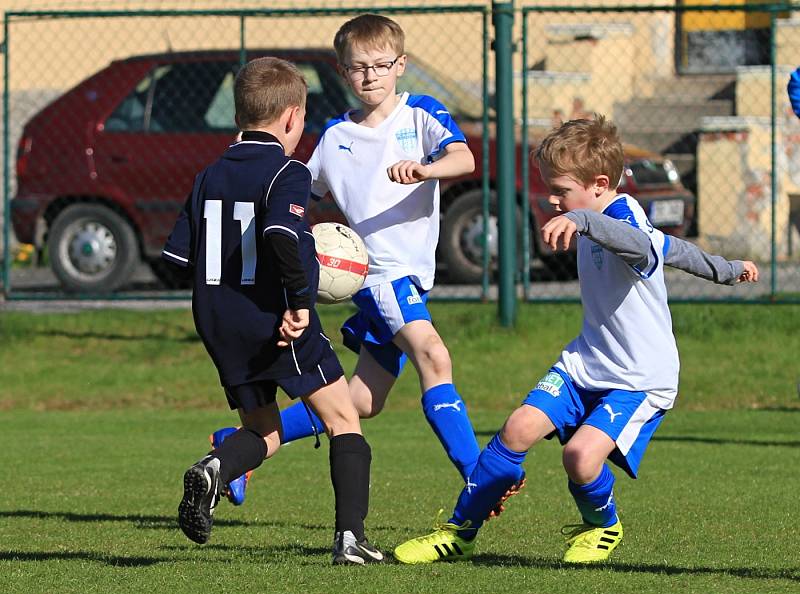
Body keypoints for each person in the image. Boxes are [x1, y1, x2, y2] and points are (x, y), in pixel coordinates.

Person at [394, 115, 760, 565]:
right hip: (585, 363)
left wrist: (583, 219)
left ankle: (603, 526)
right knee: (516, 429)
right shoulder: (593, 216)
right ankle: (458, 532)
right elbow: (676, 250)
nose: (552, 199)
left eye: (561, 190)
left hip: (639, 378)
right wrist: (727, 269)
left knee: (581, 458)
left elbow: (643, 247)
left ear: (600, 184)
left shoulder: (621, 218)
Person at [224, 13, 515, 508]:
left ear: (400, 65)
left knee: (361, 401)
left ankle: (233, 444)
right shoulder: (336, 137)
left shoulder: (420, 114)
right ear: (342, 72)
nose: (371, 76)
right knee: (434, 356)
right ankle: (477, 475)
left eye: (382, 65)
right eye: (359, 67)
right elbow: (295, 187)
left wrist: (425, 169)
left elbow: (464, 159)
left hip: (411, 279)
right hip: (380, 276)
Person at [163, 56, 383, 565]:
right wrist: (300, 304)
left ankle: (215, 469)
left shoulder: (208, 175)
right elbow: (283, 235)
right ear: (290, 117)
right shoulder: (287, 172)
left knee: (264, 429)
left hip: (218, 322)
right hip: (278, 319)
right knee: (344, 420)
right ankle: (351, 539)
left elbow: (176, 256)